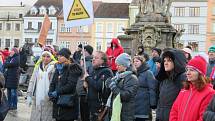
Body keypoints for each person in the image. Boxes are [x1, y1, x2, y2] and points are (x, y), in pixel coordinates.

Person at [170, 55, 215, 121]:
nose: (187, 73)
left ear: (200, 73)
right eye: (187, 69)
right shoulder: (184, 90)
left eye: (192, 70)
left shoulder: (209, 92)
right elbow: (174, 110)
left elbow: (203, 117)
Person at [48, 48, 84, 121]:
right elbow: (53, 82)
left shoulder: (73, 67)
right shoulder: (58, 67)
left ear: (66, 57)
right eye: (58, 56)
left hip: (68, 101)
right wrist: (50, 91)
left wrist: (57, 92)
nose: (58, 57)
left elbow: (70, 85)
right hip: (57, 102)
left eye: (61, 56)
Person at [156, 48, 187, 121]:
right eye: (164, 61)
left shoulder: (182, 78)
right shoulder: (164, 79)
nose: (165, 63)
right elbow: (160, 101)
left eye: (169, 60)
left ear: (177, 62)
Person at [106, 53, 138, 121]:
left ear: (125, 65)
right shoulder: (118, 77)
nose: (116, 67)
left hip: (125, 114)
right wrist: (107, 84)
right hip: (117, 112)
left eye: (118, 65)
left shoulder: (132, 78)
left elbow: (126, 96)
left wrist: (113, 87)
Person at [82, 51, 113, 121]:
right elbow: (91, 87)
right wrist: (85, 86)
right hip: (91, 105)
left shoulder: (106, 71)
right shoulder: (94, 71)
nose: (93, 59)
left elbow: (99, 87)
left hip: (100, 106)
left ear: (102, 61)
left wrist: (87, 78)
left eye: (96, 58)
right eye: (93, 57)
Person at [27, 51, 57, 121]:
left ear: (51, 57)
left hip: (48, 99)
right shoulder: (38, 67)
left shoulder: (54, 68)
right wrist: (29, 95)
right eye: (43, 56)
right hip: (37, 97)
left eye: (48, 56)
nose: (45, 58)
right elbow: (32, 81)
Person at [133, 55, 158, 121]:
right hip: (134, 105)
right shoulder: (133, 73)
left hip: (144, 104)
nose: (135, 63)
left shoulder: (148, 73)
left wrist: (153, 104)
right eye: (134, 61)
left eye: (137, 61)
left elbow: (152, 89)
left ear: (142, 62)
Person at [76, 45, 93, 121]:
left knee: (85, 114)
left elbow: (90, 76)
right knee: (80, 114)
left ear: (88, 52)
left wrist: (86, 78)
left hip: (85, 92)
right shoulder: (82, 61)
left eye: (84, 50)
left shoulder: (90, 63)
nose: (82, 52)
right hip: (79, 91)